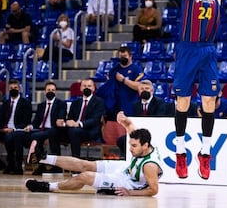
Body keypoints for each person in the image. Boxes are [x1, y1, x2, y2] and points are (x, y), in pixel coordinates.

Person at [173, 0, 225, 180]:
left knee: (207, 103)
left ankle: (205, 154)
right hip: (187, 49)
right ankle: (180, 153)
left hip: (207, 50)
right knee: (182, 102)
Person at [25, 111, 163, 196]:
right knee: (86, 165)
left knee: (85, 176)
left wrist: (130, 193)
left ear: (145, 146)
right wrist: (125, 121)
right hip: (126, 169)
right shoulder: (145, 142)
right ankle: (42, 157)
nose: (131, 149)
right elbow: (131, 128)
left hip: (127, 182)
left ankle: (48, 187)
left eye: (134, 146)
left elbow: (154, 190)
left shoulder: (149, 166)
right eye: (130, 145)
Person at [11, 81, 67, 175]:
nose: (50, 92)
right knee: (18, 134)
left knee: (36, 136)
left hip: (52, 129)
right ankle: (18, 166)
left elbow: (61, 117)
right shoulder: (41, 105)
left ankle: (42, 164)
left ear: (56, 92)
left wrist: (60, 121)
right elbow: (36, 121)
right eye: (48, 90)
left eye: (53, 90)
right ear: (45, 92)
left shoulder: (61, 104)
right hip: (39, 129)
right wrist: (30, 126)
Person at [0, 79, 32, 174]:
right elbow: (0, 121)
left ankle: (13, 165)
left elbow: (26, 121)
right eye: (11, 88)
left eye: (15, 88)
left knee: (9, 137)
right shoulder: (5, 103)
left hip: (17, 130)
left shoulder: (25, 103)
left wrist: (12, 129)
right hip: (4, 130)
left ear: (19, 89)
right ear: (8, 90)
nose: (13, 89)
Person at [49, 78, 105, 158]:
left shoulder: (99, 102)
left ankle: (76, 163)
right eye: (84, 86)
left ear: (93, 88)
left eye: (89, 86)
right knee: (53, 131)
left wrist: (78, 124)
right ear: (81, 88)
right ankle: (56, 163)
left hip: (89, 131)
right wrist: (66, 122)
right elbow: (70, 118)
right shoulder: (75, 102)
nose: (86, 88)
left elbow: (95, 120)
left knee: (74, 131)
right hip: (73, 130)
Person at [116, 79, 167, 157]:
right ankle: (127, 160)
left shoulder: (160, 103)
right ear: (138, 91)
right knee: (121, 140)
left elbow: (160, 119)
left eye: (147, 89)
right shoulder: (135, 104)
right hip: (138, 132)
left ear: (152, 90)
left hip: (154, 131)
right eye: (142, 89)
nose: (144, 91)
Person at [96, 46, 143, 119]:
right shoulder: (114, 69)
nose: (123, 58)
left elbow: (139, 87)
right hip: (116, 103)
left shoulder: (136, 69)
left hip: (130, 102)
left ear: (130, 56)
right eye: (121, 56)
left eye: (125, 56)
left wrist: (124, 80)